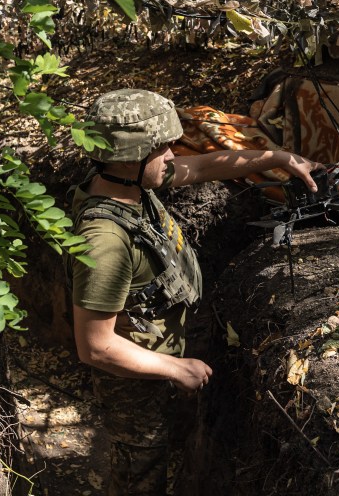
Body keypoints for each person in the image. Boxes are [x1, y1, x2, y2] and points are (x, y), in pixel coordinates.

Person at [66, 89, 321, 495]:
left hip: (164, 365)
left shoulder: (126, 182)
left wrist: (276, 158)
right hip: (136, 393)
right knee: (140, 478)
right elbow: (94, 346)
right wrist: (176, 369)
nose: (172, 154)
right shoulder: (105, 240)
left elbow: (201, 168)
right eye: (162, 147)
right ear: (131, 155)